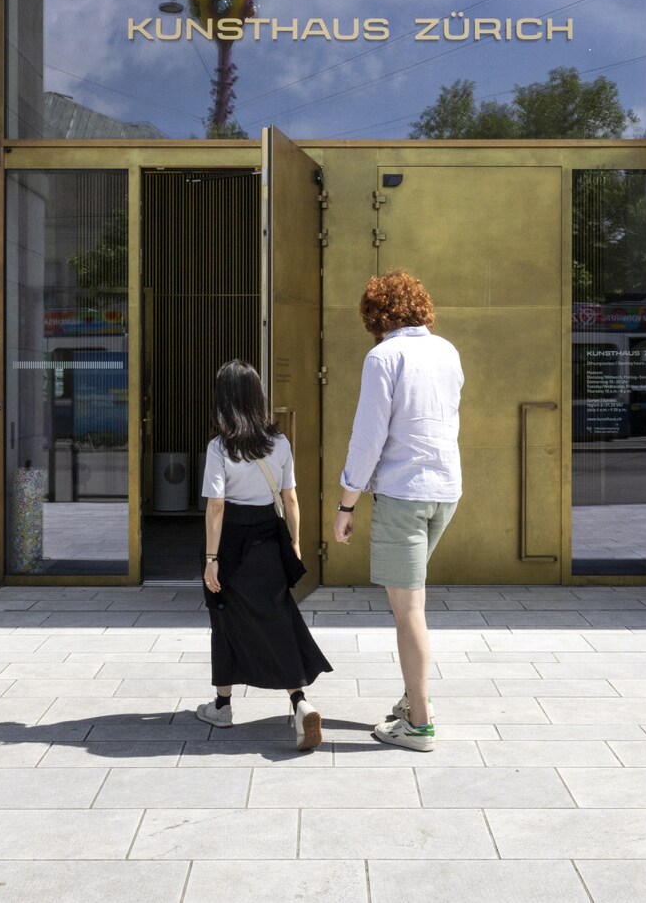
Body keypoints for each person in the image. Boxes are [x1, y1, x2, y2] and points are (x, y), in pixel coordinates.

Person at [333, 270, 463, 752]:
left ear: (375, 314)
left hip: (403, 494)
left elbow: (369, 437)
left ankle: (420, 723)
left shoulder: (383, 356)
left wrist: (348, 501)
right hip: (445, 490)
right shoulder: (447, 351)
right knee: (413, 604)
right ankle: (413, 700)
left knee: (408, 611)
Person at [195, 359, 332, 752]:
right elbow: (290, 498)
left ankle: (222, 706)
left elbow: (216, 505)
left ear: (224, 400)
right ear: (257, 397)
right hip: (270, 539)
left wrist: (210, 559)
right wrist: (295, 542)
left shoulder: (220, 447)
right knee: (278, 619)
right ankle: (299, 702)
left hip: (230, 544)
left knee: (224, 619)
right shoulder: (280, 443)